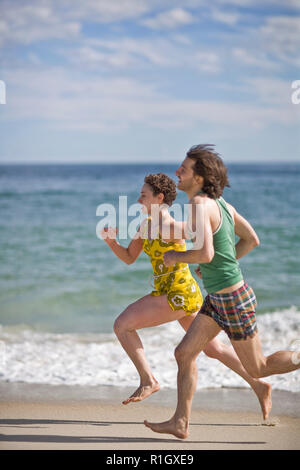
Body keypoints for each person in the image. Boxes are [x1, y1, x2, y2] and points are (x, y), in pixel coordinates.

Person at [144, 145, 300, 439]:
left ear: (200, 178)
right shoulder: (223, 205)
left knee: (259, 367)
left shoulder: (201, 205)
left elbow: (204, 251)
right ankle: (181, 422)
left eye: (184, 169)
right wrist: (217, 267)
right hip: (219, 297)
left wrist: (177, 257)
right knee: (184, 352)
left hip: (231, 299)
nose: (178, 172)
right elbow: (251, 239)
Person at [100, 172, 272, 418]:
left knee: (122, 325)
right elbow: (129, 257)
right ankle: (259, 384)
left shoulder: (172, 227)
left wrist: (207, 261)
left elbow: (206, 239)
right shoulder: (146, 225)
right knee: (214, 349)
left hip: (178, 293)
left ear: (159, 198)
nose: (138, 201)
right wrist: (112, 242)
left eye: (143, 196)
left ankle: (148, 380)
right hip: (175, 293)